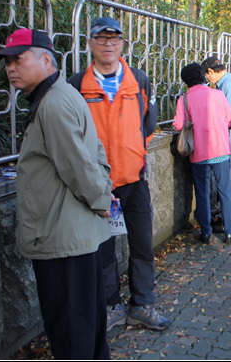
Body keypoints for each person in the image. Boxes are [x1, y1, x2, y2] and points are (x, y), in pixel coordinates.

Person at [0, 28, 112, 359]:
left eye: (18, 59)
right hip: (71, 235)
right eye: (7, 63)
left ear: (46, 60)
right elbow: (95, 151)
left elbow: (77, 165)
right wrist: (103, 193)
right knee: (86, 328)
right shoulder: (61, 94)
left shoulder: (53, 103)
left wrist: (102, 199)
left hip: (62, 240)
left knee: (72, 331)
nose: (10, 68)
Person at [68, 17, 169, 332]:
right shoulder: (76, 85)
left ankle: (142, 305)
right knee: (102, 249)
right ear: (90, 43)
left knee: (142, 245)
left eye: (114, 38)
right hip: (97, 185)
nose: (108, 44)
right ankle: (110, 306)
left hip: (134, 179)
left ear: (123, 44)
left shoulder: (139, 80)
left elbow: (148, 123)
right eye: (101, 38)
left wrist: (134, 152)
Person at [173, 62, 231, 245]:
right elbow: (230, 119)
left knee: (201, 193)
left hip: (198, 153)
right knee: (225, 191)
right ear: (202, 76)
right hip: (220, 149)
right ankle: (229, 231)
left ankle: (206, 232)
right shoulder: (217, 94)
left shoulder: (184, 99)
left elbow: (178, 125)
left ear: (186, 82)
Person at [201, 56, 231, 231]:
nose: (207, 79)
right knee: (230, 179)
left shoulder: (227, 85)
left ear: (211, 71)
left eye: (207, 75)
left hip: (229, 133)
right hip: (229, 133)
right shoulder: (226, 83)